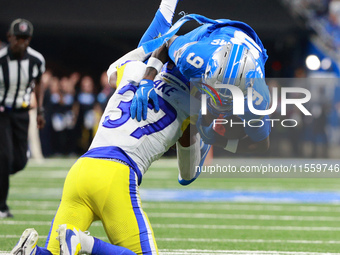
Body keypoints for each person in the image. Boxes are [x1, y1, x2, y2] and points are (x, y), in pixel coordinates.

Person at [10, 1, 208, 254]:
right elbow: (187, 175)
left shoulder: (132, 70)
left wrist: (164, 23)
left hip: (81, 171)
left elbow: (139, 52)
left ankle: (31, 251)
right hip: (116, 175)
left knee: (53, 252)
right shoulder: (191, 106)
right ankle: (84, 242)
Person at [130, 14, 271, 153]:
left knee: (235, 129)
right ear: (207, 72)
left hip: (246, 49)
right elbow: (167, 41)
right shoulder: (195, 58)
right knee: (142, 69)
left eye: (228, 102)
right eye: (216, 96)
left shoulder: (258, 101)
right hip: (212, 34)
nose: (219, 106)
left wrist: (217, 141)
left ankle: (197, 132)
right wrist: (147, 81)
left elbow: (261, 145)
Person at [0, 18, 45, 218]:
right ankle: (2, 206)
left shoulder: (36, 60)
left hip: (22, 113)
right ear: (10, 37)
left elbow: (39, 82)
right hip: (2, 113)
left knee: (19, 162)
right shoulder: (0, 60)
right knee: (5, 157)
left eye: (26, 38)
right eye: (18, 38)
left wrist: (40, 111)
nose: (22, 43)